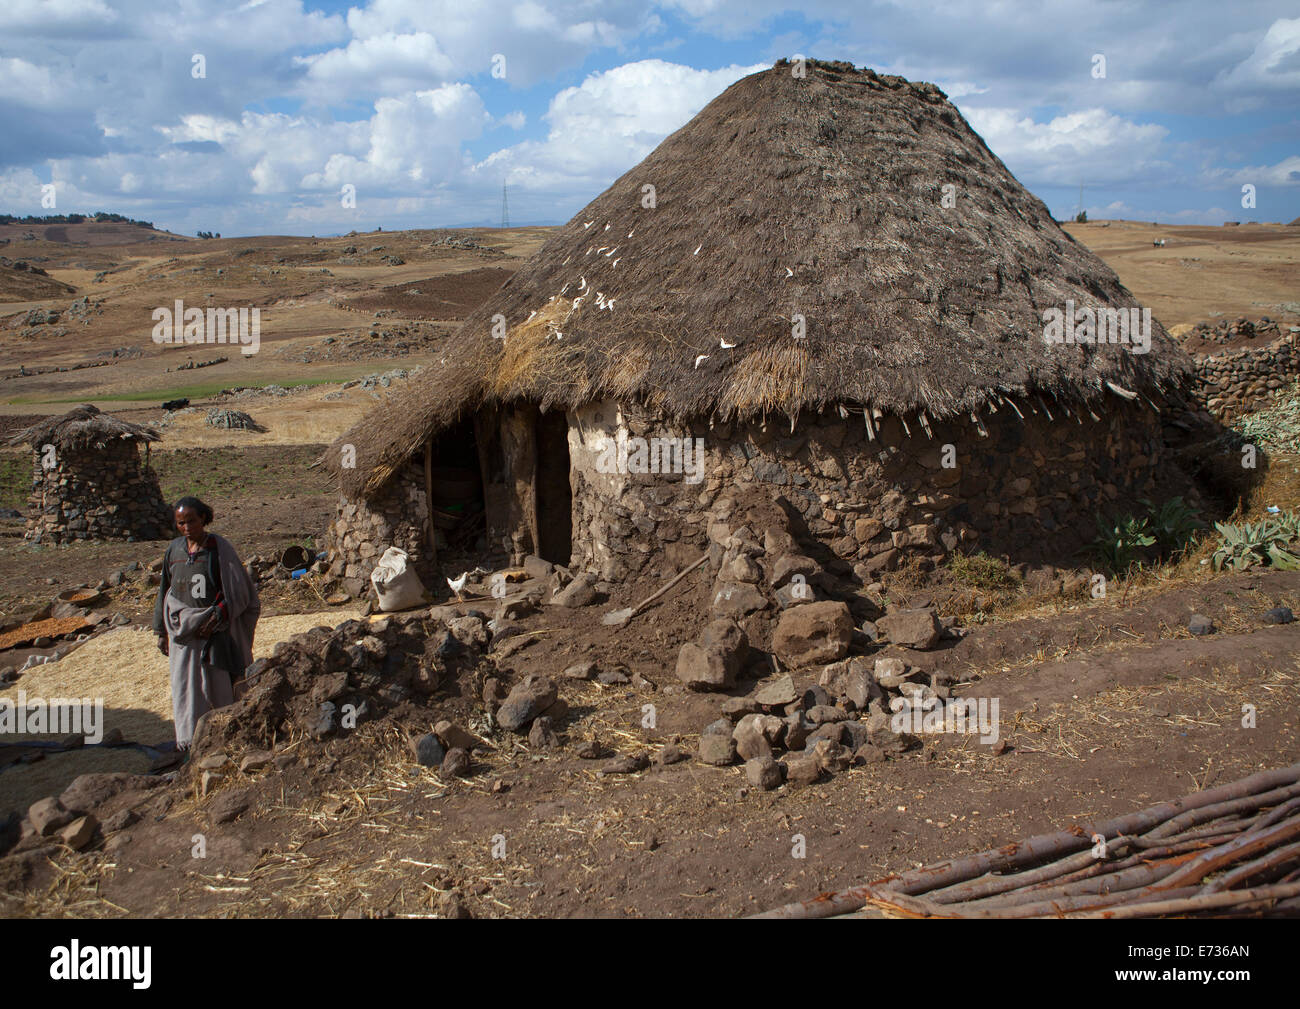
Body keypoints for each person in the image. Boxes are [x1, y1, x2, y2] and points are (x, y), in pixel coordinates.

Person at [152, 496, 260, 749]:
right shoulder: (174, 551)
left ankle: (225, 738)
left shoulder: (218, 549)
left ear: (203, 518)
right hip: (184, 635)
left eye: (192, 521)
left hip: (215, 632)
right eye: (181, 523)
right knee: (186, 689)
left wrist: (219, 614)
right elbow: (164, 591)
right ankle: (192, 742)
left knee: (219, 686)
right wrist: (161, 630)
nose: (187, 527)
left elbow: (237, 590)